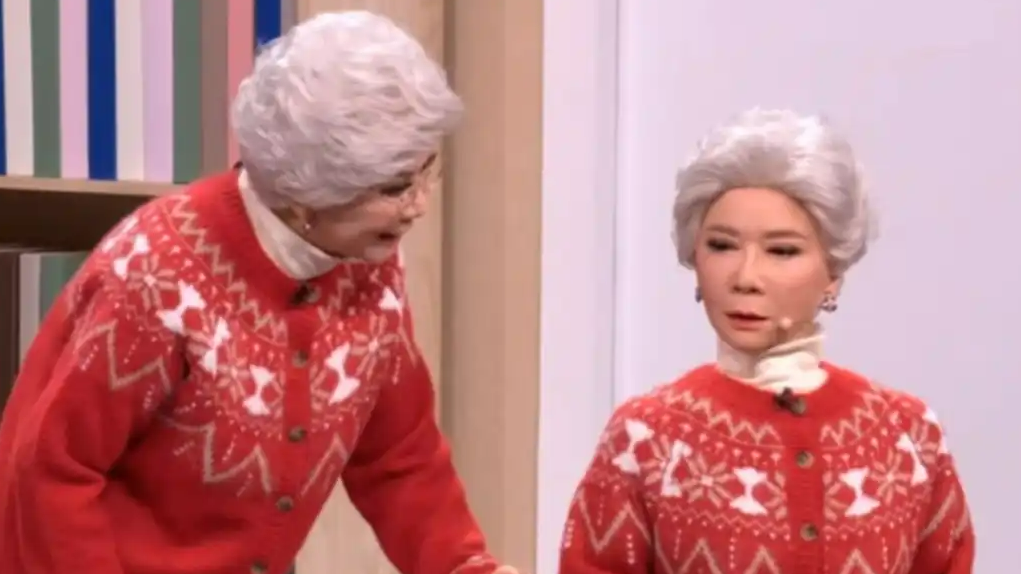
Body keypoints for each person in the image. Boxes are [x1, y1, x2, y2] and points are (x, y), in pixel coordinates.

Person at [0, 11, 518, 574]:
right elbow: (50, 472)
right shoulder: (155, 273)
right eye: (394, 188)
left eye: (427, 172)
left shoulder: (366, 261)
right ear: (303, 193)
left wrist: (464, 565)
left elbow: (400, 457)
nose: (419, 205)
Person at [558, 109, 975, 573]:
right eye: (721, 245)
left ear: (833, 271)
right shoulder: (645, 437)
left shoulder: (907, 433)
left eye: (782, 251)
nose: (745, 277)